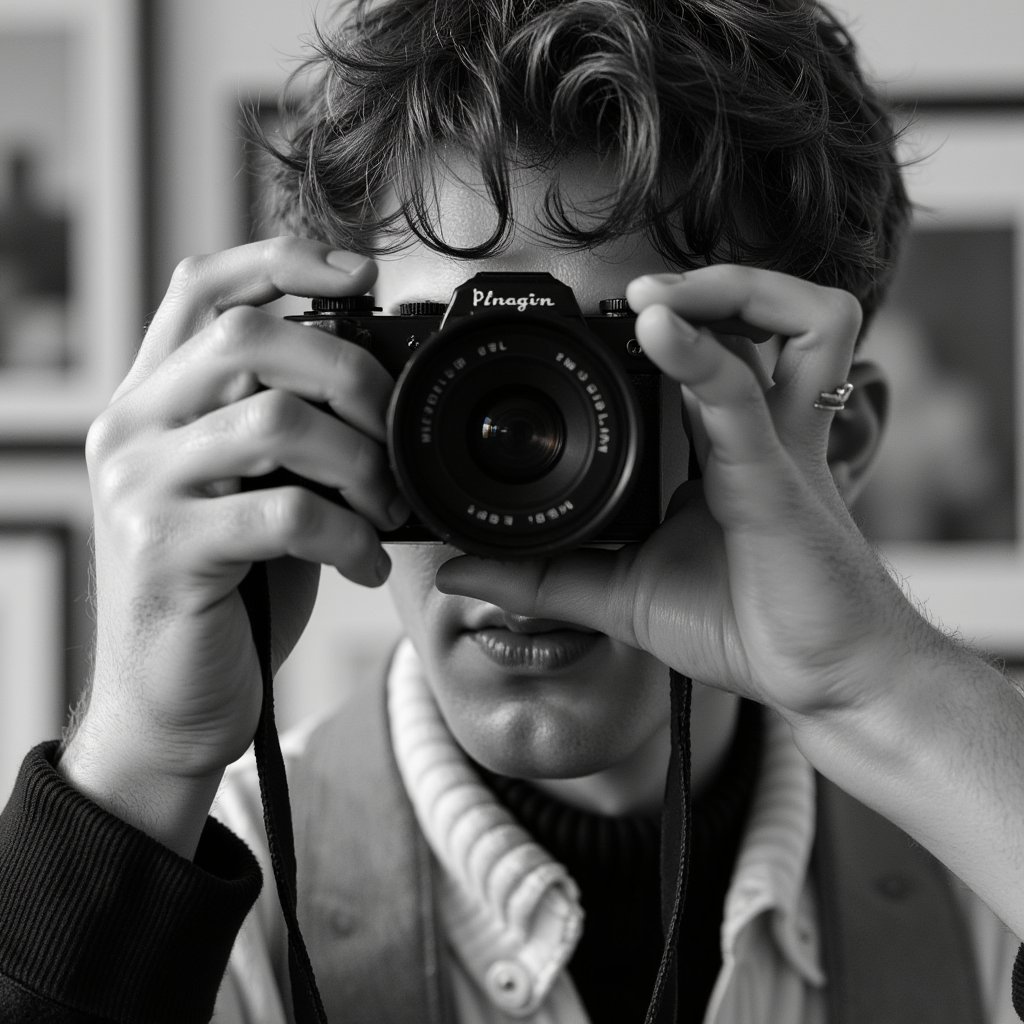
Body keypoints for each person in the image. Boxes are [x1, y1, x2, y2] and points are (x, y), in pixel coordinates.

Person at [2, 0, 1024, 1021]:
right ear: (329, 392)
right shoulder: (198, 888)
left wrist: (879, 691)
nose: (520, 489)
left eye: (609, 381)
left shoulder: (982, 864)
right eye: (449, 383)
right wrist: (140, 757)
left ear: (830, 443)